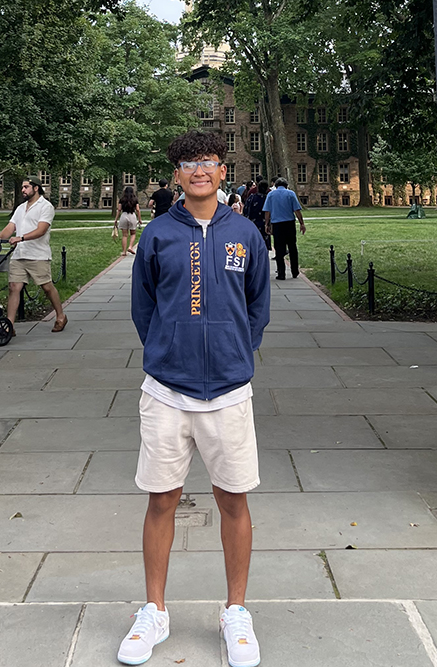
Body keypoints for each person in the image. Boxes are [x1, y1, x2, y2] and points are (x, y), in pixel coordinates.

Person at [121, 130, 270, 667]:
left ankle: (235, 612)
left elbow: (258, 303)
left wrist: (235, 351)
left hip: (229, 389)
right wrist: (169, 348)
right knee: (162, 498)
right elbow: (143, 310)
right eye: (188, 163)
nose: (199, 170)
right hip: (166, 389)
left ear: (222, 171)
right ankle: (155, 611)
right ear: (176, 175)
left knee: (234, 498)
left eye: (208, 161)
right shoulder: (159, 235)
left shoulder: (246, 235)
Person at [0, 177, 67, 332]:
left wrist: (21, 238)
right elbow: (10, 227)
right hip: (19, 254)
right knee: (14, 287)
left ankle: (61, 315)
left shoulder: (46, 206)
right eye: (22, 187)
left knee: (47, 287)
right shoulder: (21, 208)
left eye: (26, 187)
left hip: (38, 254)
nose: (23, 190)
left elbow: (41, 230)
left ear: (36, 188)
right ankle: (10, 325)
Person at [263, 177, 306, 280]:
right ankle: (294, 271)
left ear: (276, 186)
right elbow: (297, 210)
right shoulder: (291, 194)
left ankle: (281, 273)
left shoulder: (271, 195)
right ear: (286, 185)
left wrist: (267, 224)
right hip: (289, 224)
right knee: (292, 247)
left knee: (279, 249)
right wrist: (301, 223)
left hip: (277, 224)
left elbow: (267, 211)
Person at [114, 186, 143, 257]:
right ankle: (130, 246)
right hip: (132, 215)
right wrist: (139, 219)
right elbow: (138, 210)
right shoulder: (135, 199)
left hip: (124, 216)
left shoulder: (122, 199)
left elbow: (119, 209)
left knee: (124, 235)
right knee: (133, 233)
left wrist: (116, 219)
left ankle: (124, 251)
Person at [243, 181, 271, 250]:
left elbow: (245, 210)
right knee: (264, 244)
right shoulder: (267, 199)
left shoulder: (251, 197)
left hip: (253, 223)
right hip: (264, 224)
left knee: (253, 243)